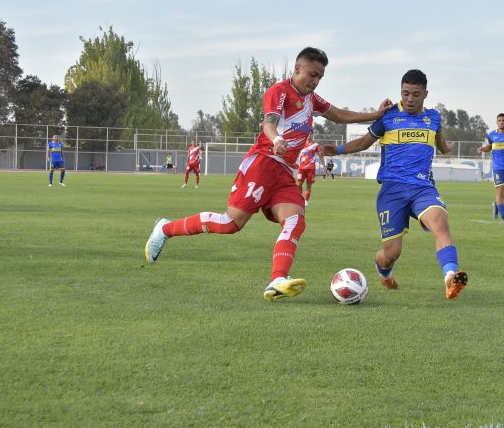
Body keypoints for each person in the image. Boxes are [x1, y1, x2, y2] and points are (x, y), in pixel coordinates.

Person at [145, 47, 393, 302]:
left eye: (319, 77)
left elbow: (340, 114)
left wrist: (375, 115)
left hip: (284, 172)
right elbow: (269, 123)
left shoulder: (312, 99)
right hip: (262, 163)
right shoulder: (279, 92)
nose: (315, 81)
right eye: (312, 74)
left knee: (296, 219)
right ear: (297, 69)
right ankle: (166, 228)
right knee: (231, 223)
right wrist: (276, 140)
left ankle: (277, 280)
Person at [323, 69, 468, 300]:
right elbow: (363, 142)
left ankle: (450, 277)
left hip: (423, 187)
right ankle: (384, 270)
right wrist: (337, 150)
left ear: (426, 94)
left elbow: (440, 143)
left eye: (416, 94)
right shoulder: (388, 117)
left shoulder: (434, 118)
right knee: (392, 252)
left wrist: (446, 148)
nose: (410, 99)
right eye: (405, 93)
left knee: (440, 222)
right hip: (393, 190)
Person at [477, 113, 504, 222]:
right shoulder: (492, 135)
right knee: (500, 191)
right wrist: (482, 149)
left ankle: (497, 206)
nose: (501, 122)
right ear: (497, 122)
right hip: (497, 166)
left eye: (503, 120)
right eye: (499, 120)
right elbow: (489, 147)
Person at [295, 132, 327, 206]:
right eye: (308, 134)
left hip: (311, 168)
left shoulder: (316, 145)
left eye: (310, 134)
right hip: (301, 168)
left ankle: (306, 201)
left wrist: (324, 166)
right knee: (298, 184)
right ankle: (300, 199)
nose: (309, 136)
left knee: (309, 185)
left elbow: (320, 156)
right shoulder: (301, 143)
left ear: (312, 135)